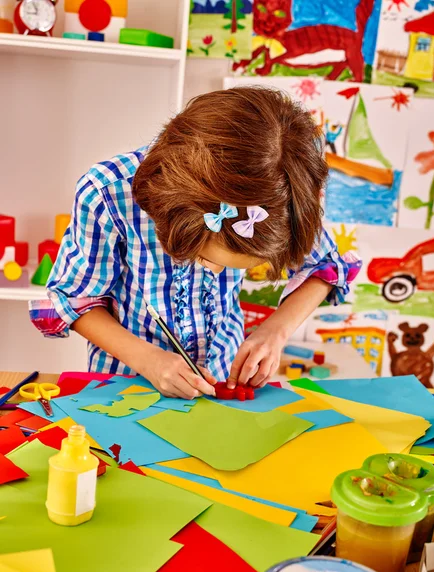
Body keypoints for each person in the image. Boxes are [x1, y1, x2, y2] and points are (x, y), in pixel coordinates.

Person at [29, 87, 361, 399]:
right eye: (206, 259)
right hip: (125, 381)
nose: (215, 272)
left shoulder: (283, 196)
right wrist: (150, 360)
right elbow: (76, 299)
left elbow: (326, 267)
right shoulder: (107, 191)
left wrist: (275, 331)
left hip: (220, 378)